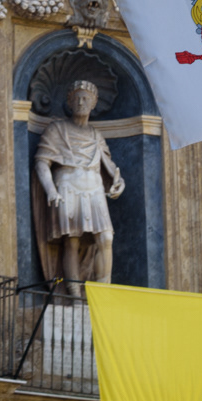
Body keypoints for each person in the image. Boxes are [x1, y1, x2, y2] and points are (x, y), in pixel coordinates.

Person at [33, 79, 125, 295]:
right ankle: (73, 292)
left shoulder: (96, 136)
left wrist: (118, 183)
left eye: (86, 99)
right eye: (77, 98)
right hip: (67, 186)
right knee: (71, 240)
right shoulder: (57, 129)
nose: (82, 102)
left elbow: (110, 168)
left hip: (94, 187)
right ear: (70, 103)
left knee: (106, 237)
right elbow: (42, 161)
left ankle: (103, 291)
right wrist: (51, 190)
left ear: (94, 104)